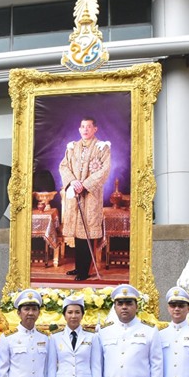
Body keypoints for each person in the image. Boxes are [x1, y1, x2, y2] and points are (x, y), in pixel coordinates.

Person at [59, 116, 111, 281]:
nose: (85, 129)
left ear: (95, 129)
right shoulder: (72, 147)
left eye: (89, 126)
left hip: (91, 195)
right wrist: (73, 182)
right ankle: (78, 267)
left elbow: (104, 170)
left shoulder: (102, 147)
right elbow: (63, 166)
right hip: (75, 193)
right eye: (82, 126)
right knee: (77, 232)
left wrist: (85, 184)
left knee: (87, 232)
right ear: (79, 129)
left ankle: (85, 270)